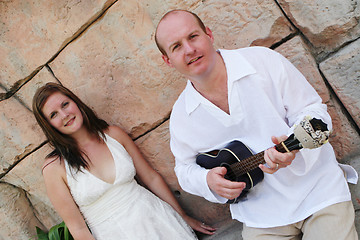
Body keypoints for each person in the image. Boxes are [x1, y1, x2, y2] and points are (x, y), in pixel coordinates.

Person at [155, 9, 358, 240]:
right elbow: (183, 169)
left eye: (193, 37)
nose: (189, 50)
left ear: (208, 34)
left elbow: (314, 113)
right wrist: (207, 180)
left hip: (317, 189)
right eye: (176, 46)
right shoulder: (183, 116)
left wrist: (294, 144)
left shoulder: (261, 61)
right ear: (167, 61)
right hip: (261, 214)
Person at [32, 82, 216, 240]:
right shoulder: (54, 168)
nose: (64, 114)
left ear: (76, 102)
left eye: (65, 104)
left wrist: (183, 215)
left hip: (159, 221)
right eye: (53, 114)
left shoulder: (113, 135)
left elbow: (151, 178)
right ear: (48, 125)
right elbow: (78, 228)